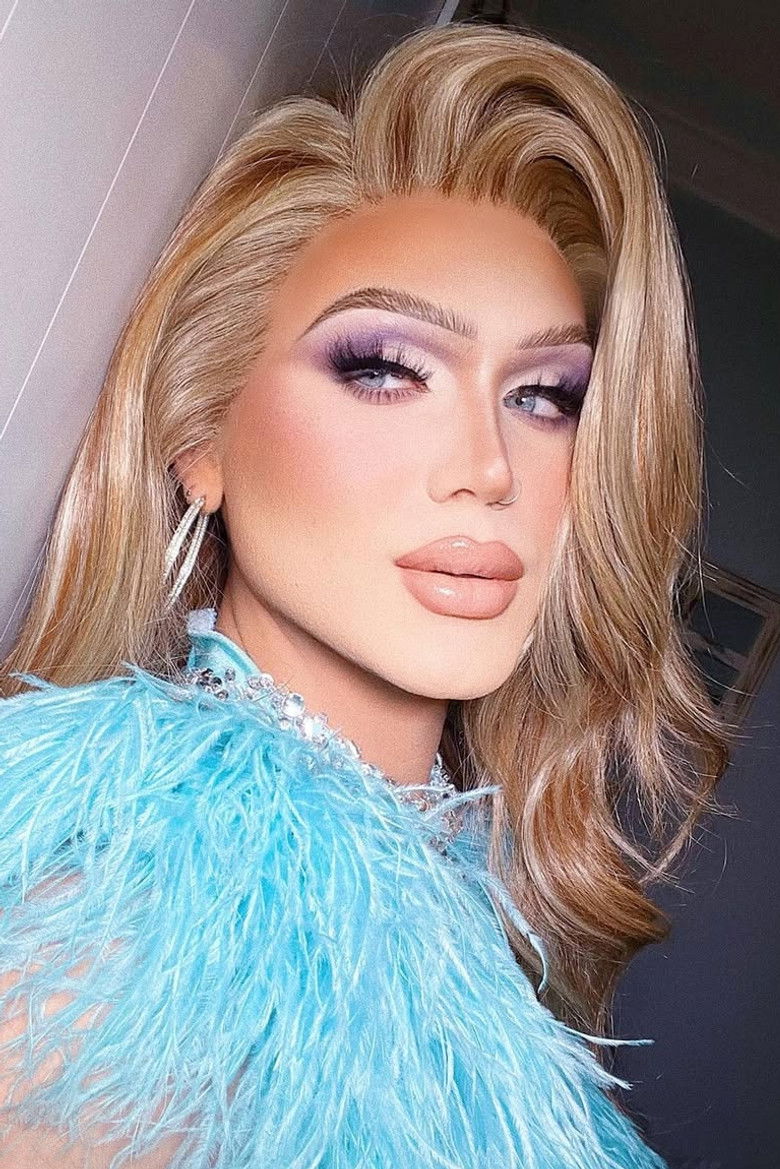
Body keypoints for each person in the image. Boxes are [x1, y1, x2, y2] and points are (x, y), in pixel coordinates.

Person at [0, 20, 731, 1169]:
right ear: (202, 437)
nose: (489, 468)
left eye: (545, 396)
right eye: (386, 369)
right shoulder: (141, 900)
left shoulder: (458, 912)